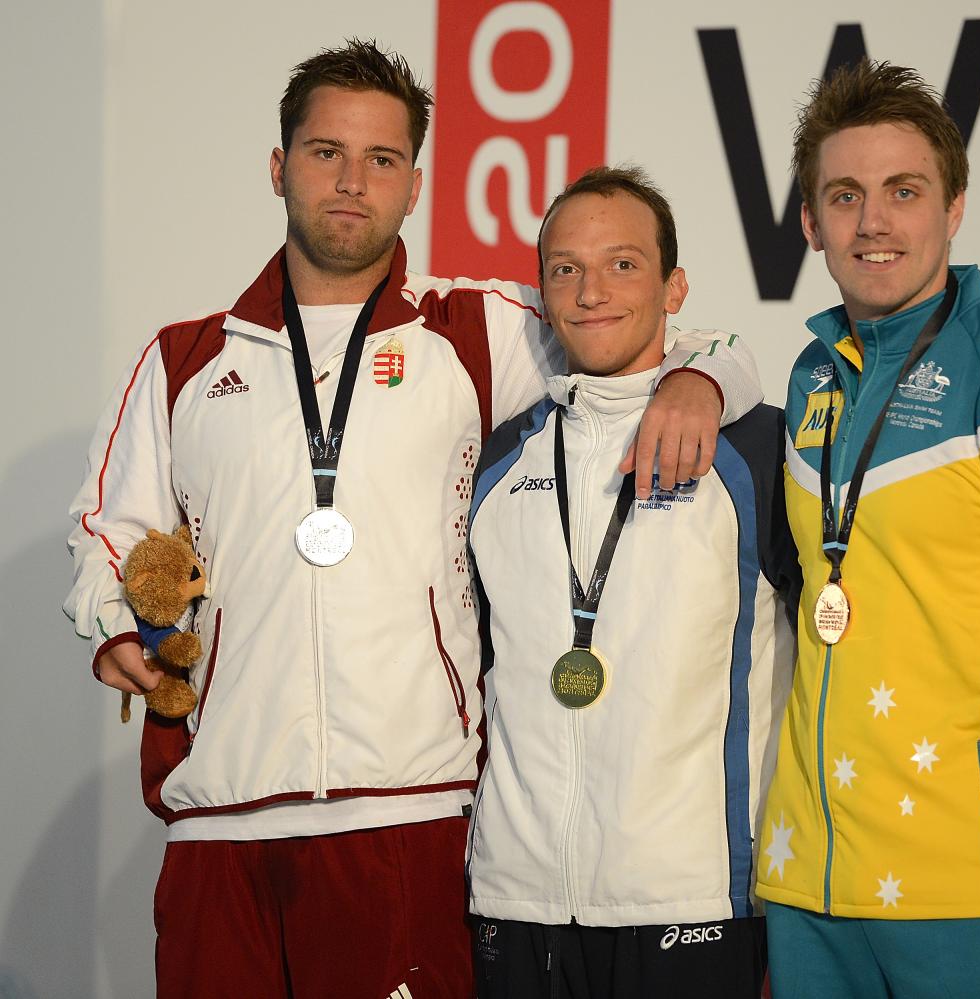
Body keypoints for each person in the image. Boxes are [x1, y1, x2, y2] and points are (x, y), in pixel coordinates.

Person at [64, 41, 760, 999]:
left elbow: (652, 327)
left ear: (415, 184)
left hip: (412, 811)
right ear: (278, 167)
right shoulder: (183, 360)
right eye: (324, 153)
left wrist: (696, 381)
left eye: (382, 160)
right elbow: (106, 529)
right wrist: (114, 625)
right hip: (219, 819)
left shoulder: (473, 332)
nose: (353, 183)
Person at [757, 60, 980, 998]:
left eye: (903, 191)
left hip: (969, 879)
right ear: (809, 223)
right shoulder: (812, 375)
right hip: (811, 873)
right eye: (844, 196)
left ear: (954, 206)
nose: (872, 222)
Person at [464, 165, 800, 998]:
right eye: (565, 269)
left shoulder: (755, 449)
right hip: (517, 895)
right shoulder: (497, 459)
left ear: (674, 284)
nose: (590, 292)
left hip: (692, 896)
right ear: (541, 295)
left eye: (623, 264)